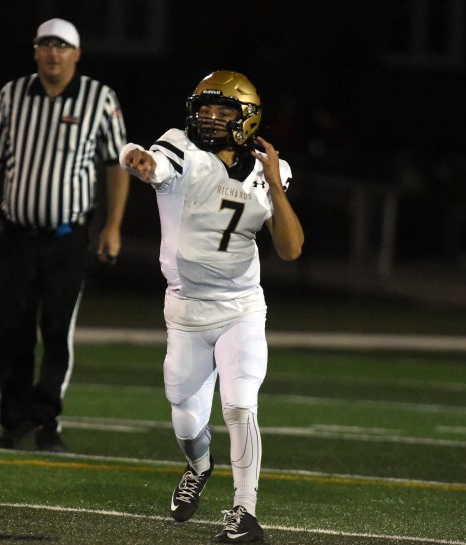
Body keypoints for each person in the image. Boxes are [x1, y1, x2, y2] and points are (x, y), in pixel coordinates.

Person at [120, 71, 303, 543]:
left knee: (240, 406)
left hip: (241, 307)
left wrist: (276, 187)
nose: (211, 120)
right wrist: (137, 160)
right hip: (184, 309)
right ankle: (199, 465)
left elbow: (291, 249)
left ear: (246, 118)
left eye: (223, 113)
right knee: (185, 417)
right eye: (205, 110)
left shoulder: (271, 169)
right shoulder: (180, 147)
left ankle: (245, 512)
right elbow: (155, 164)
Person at [0, 18, 130, 453]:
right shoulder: (13, 94)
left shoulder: (99, 98)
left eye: (61, 46)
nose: (53, 52)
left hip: (68, 239)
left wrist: (113, 225)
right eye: (45, 44)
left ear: (76, 54)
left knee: (56, 328)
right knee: (8, 326)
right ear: (35, 50)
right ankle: (13, 421)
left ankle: (46, 420)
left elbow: (116, 164)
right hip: (16, 235)